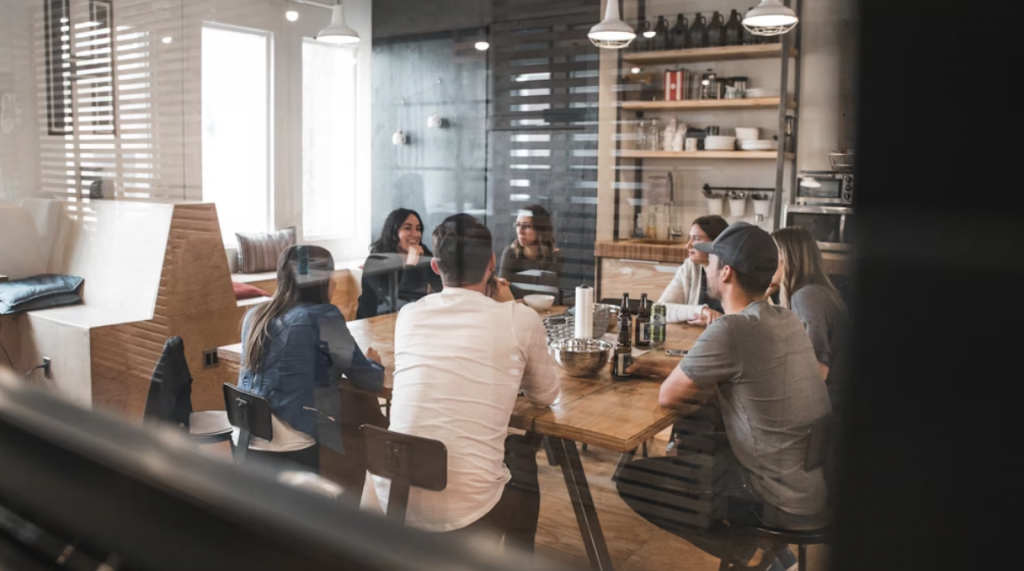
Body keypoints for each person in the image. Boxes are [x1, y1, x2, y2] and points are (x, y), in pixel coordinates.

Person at [626, 222, 831, 571]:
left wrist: (656, 372)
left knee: (635, 480)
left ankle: (750, 554)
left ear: (726, 272)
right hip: (810, 483)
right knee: (704, 439)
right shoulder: (785, 319)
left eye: (710, 261)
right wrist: (647, 367)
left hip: (775, 496)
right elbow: (725, 372)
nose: (704, 266)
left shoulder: (731, 329)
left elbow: (668, 396)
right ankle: (773, 553)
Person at [374, 213, 560, 551]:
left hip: (395, 493)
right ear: (492, 263)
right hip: (467, 508)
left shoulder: (409, 315)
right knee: (522, 459)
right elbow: (546, 395)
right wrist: (508, 308)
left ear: (435, 266)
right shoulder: (519, 318)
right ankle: (520, 559)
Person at [237, 245, 385, 473]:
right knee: (359, 417)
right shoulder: (323, 317)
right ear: (322, 280)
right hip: (294, 445)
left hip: (248, 440)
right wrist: (375, 362)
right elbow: (369, 380)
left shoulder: (253, 316)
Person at [771, 226, 847, 408]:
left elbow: (818, 371)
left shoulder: (806, 297)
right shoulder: (816, 291)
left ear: (786, 259)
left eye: (769, 256)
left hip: (831, 405)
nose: (763, 262)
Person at [356, 208, 443, 319]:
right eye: (407, 228)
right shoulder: (375, 262)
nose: (415, 234)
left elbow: (441, 288)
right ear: (393, 233)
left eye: (418, 229)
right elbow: (399, 303)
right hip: (374, 323)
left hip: (410, 319)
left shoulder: (423, 254)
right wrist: (411, 264)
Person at [657, 215, 729, 326]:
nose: (687, 245)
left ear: (716, 243)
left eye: (696, 239)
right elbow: (660, 309)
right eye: (689, 238)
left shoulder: (733, 271)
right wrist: (702, 310)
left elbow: (746, 319)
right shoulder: (690, 267)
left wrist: (717, 320)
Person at [498, 205, 565, 300]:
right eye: (517, 225)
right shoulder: (510, 253)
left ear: (540, 230)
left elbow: (542, 297)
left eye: (526, 226)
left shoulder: (555, 256)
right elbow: (501, 291)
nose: (520, 231)